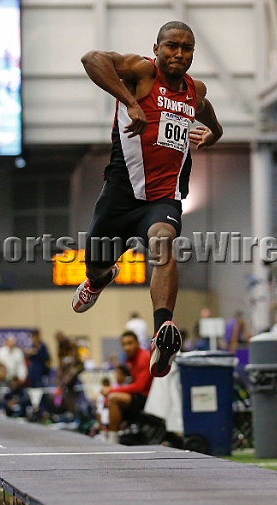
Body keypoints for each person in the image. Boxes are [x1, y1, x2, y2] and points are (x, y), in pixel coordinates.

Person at [72, 21, 223, 379]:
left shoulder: (193, 91)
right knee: (95, 262)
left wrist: (212, 136)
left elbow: (212, 119)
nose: (179, 54)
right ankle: (99, 278)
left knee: (163, 243)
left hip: (163, 198)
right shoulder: (140, 72)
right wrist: (130, 103)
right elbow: (90, 58)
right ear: (156, 48)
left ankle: (161, 332)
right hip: (121, 194)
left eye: (187, 49)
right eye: (172, 46)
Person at [101, 332, 153, 443]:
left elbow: (139, 387)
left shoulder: (144, 357)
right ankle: (103, 432)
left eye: (130, 343)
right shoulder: (129, 360)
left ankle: (112, 439)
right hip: (136, 396)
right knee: (99, 398)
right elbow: (125, 383)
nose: (127, 347)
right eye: (124, 344)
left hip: (146, 398)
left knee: (113, 398)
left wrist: (111, 390)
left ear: (138, 343)